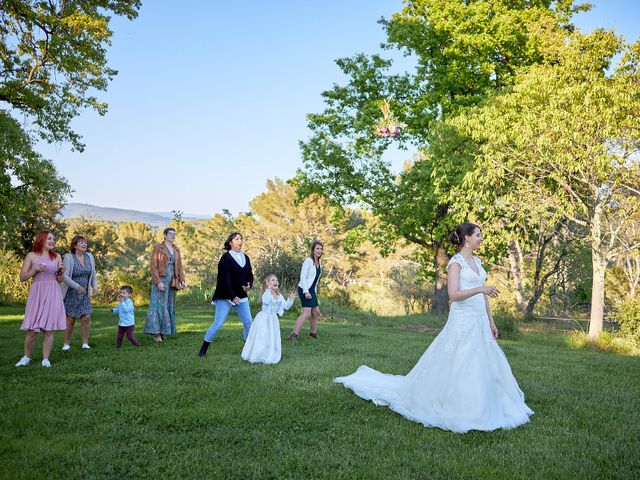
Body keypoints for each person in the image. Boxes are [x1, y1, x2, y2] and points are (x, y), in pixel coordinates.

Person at [334, 223, 534, 433]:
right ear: (467, 238)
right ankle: (458, 405)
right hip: (462, 320)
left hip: (480, 321)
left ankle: (487, 402)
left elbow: (484, 296)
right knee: (461, 359)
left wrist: (491, 321)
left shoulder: (478, 262)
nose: (481, 239)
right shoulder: (455, 264)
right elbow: (453, 295)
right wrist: (480, 288)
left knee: (484, 360)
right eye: (478, 235)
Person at [15, 231, 67, 368]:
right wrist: (35, 270)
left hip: (52, 292)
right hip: (37, 293)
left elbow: (60, 280)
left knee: (49, 329)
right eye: (49, 238)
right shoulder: (31, 256)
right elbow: (22, 277)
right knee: (32, 330)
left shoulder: (57, 256)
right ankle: (26, 357)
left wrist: (61, 272)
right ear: (41, 239)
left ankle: (45, 359)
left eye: (54, 239)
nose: (52, 241)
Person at [198, 232, 253, 357]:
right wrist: (232, 296)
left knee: (248, 322)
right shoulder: (226, 258)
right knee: (218, 324)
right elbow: (224, 279)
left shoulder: (246, 257)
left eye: (241, 239)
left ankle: (247, 348)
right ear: (230, 242)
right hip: (225, 296)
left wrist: (249, 284)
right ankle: (203, 350)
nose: (240, 241)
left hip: (241, 296)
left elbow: (250, 274)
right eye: (237, 239)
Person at [241, 275, 296, 364]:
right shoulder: (266, 294)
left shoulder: (279, 295)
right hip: (263, 319)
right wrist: (268, 289)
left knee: (271, 337)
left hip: (273, 320)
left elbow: (286, 306)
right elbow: (266, 301)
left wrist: (290, 299)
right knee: (262, 337)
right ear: (267, 283)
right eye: (272, 280)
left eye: (276, 280)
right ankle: (257, 355)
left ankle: (269, 354)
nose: (275, 281)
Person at [144, 227, 185, 342]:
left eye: (174, 234)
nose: (173, 236)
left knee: (168, 305)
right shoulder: (158, 248)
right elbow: (153, 266)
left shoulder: (176, 249)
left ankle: (163, 331)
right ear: (165, 235)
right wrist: (158, 282)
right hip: (161, 280)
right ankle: (156, 333)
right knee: (158, 305)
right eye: (171, 234)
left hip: (172, 281)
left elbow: (180, 266)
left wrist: (182, 280)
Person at [60, 235, 98, 350]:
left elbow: (93, 274)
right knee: (70, 319)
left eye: (85, 242)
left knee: (86, 317)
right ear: (74, 245)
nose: (84, 244)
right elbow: (64, 276)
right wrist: (76, 286)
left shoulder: (89, 256)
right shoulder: (68, 257)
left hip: (85, 293)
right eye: (81, 242)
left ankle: (85, 343)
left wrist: (95, 288)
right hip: (72, 291)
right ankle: (66, 344)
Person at [288, 240, 323, 342]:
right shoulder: (308, 261)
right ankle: (293, 335)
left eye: (321, 249)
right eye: (317, 248)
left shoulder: (319, 262)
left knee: (316, 312)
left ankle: (313, 333)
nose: (319, 251)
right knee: (306, 312)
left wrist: (313, 291)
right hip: (304, 289)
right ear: (313, 250)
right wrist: (306, 291)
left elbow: (315, 279)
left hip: (312, 290)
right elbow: (302, 277)